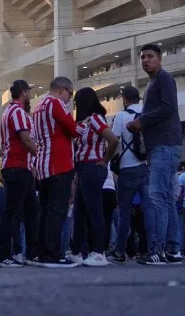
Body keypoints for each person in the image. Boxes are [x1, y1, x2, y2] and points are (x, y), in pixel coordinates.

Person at [128, 44, 183, 266]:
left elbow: (168, 108)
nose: (145, 60)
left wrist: (141, 121)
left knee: (158, 197)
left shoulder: (163, 79)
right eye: (142, 57)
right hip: (162, 145)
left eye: (150, 56)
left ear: (160, 58)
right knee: (167, 198)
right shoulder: (153, 82)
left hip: (164, 145)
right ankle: (172, 250)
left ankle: (157, 251)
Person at [30, 76, 80, 268]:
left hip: (43, 164)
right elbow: (74, 130)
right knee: (57, 211)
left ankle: (42, 252)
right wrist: (85, 126)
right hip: (59, 164)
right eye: (70, 93)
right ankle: (53, 253)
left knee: (45, 211)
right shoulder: (56, 104)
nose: (70, 99)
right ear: (62, 89)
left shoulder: (38, 106)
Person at [71, 87, 115, 267]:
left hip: (92, 166)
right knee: (79, 212)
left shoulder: (96, 119)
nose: (75, 107)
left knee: (94, 211)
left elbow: (113, 139)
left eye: (77, 103)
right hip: (84, 170)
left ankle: (99, 252)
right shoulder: (85, 121)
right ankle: (76, 252)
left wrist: (105, 161)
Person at [0, 79, 38, 267]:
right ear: (23, 92)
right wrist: (42, 154)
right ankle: (3, 255)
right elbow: (26, 139)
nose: (30, 95)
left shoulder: (8, 112)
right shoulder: (18, 112)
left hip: (18, 167)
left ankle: (31, 253)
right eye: (29, 92)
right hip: (18, 166)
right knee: (12, 212)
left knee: (30, 210)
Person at [110, 85, 146, 263]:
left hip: (127, 168)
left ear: (124, 99)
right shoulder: (147, 113)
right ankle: (152, 248)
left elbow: (114, 141)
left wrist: (110, 161)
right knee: (149, 209)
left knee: (124, 211)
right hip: (147, 166)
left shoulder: (121, 116)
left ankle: (120, 251)